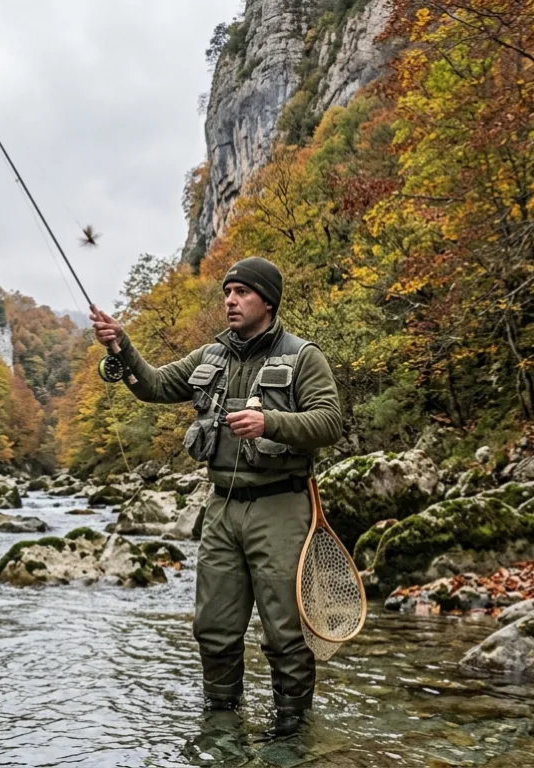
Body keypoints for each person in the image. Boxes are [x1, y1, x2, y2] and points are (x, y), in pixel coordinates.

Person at [89, 256, 343, 737]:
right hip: (221, 507)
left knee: (286, 632)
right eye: (227, 292)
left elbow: (330, 421)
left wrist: (272, 422)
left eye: (242, 292)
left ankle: (291, 730)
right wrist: (122, 348)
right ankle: (221, 723)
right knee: (214, 628)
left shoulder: (302, 356)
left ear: (267, 301)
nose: (230, 300)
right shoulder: (211, 357)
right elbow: (157, 385)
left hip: (282, 505)